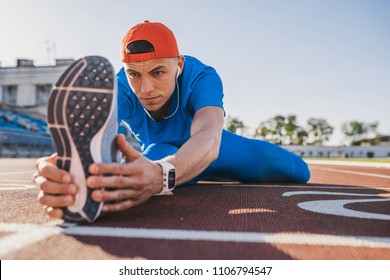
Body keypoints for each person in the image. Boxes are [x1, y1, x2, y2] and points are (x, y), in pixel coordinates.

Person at [33, 20, 310, 222]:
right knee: (126, 180)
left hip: (217, 151)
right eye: (134, 74)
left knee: (297, 170)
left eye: (157, 72)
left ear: (178, 64)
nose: (145, 89)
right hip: (161, 154)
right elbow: (94, 137)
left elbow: (210, 137)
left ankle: (201, 171)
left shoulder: (202, 76)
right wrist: (62, 171)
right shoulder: (119, 87)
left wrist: (161, 176)